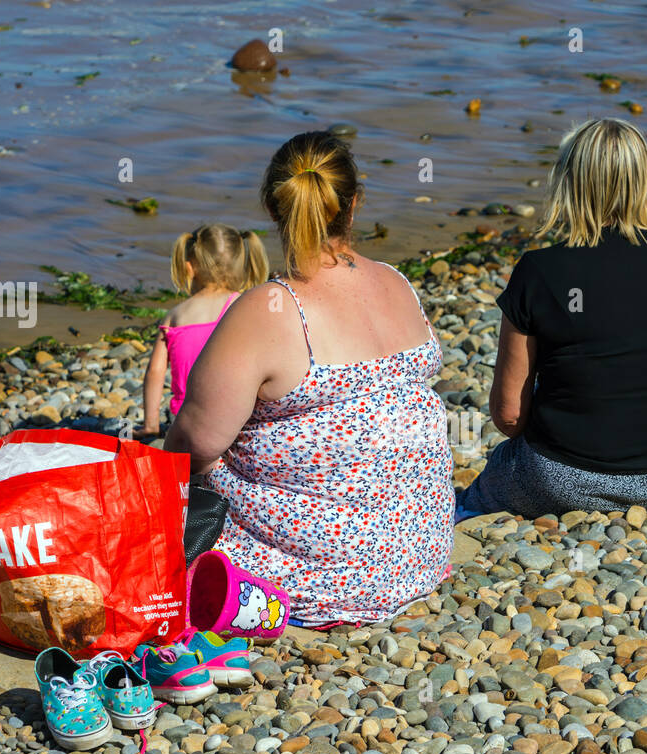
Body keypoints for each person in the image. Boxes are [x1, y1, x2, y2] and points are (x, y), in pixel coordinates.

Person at [164, 131, 453, 626]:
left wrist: (161, 488)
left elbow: (196, 442)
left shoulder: (268, 310)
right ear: (354, 204)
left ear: (273, 208)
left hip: (325, 572)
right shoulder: (396, 282)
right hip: (418, 553)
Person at [456, 117, 647, 520]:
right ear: (645, 181)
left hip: (569, 478)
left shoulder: (540, 271)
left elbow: (510, 417)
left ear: (568, 182)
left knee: (475, 497)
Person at [140, 224, 269, 436]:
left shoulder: (174, 316)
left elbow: (155, 373)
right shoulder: (242, 306)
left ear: (189, 267)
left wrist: (151, 425)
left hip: (184, 420)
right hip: (236, 418)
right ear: (242, 263)